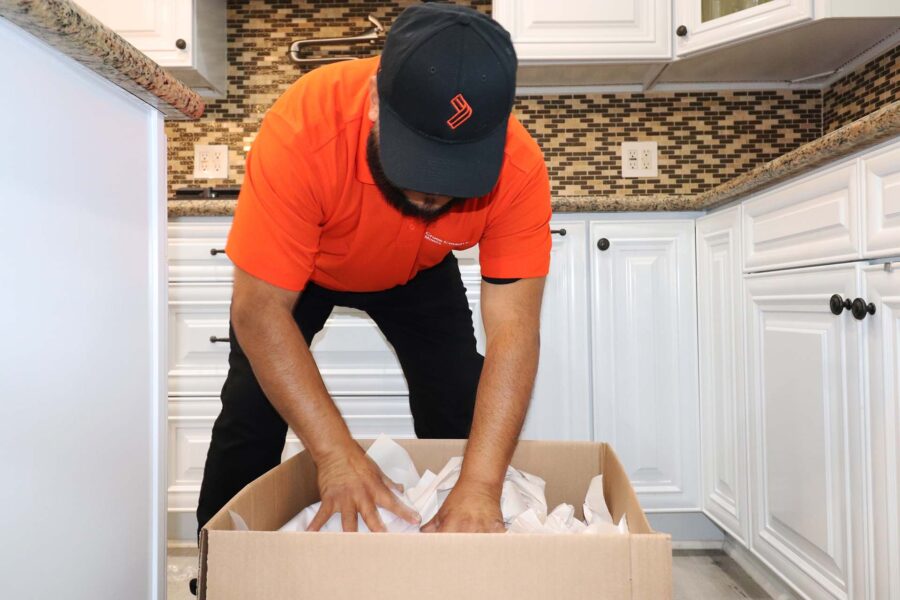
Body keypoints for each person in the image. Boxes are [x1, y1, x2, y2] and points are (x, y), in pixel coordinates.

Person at [196, 2, 552, 537]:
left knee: (458, 391)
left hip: (420, 272)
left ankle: (460, 542)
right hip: (309, 266)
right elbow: (258, 309)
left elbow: (515, 332)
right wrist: (336, 454)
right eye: (419, 161)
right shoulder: (303, 131)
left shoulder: (519, 168)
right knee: (250, 406)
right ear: (375, 105)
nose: (434, 191)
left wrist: (480, 485)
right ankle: (217, 565)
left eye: (456, 171)